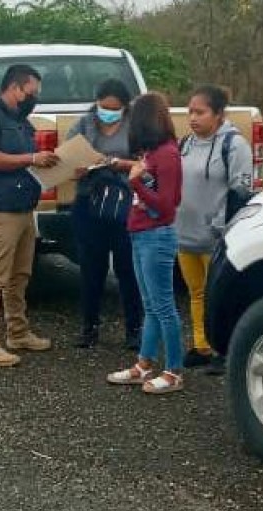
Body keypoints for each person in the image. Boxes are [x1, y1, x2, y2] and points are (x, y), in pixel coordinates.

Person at [0, 64, 60, 367]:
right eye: (31, 92)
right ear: (15, 88)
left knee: (20, 276)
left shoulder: (22, 120)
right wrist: (32, 158)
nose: (34, 98)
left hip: (24, 209)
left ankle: (18, 332)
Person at [107, 92, 185, 394]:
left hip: (156, 235)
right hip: (141, 233)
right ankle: (144, 363)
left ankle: (174, 370)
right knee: (150, 305)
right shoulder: (151, 153)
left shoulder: (166, 154)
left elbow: (167, 205)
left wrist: (136, 181)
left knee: (164, 306)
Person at [177, 84, 253, 375]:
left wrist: (223, 228)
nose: (193, 118)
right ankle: (202, 345)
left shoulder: (234, 146)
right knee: (196, 292)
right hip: (185, 233)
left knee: (220, 296)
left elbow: (241, 191)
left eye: (200, 112)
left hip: (216, 238)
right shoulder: (185, 143)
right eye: (190, 112)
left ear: (219, 114)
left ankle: (227, 349)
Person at [67, 78, 143, 349]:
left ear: (124, 106)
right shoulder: (84, 124)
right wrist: (76, 167)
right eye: (103, 106)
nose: (107, 111)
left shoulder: (135, 127)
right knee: (90, 269)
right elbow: (68, 156)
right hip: (90, 202)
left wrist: (118, 164)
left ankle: (134, 329)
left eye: (113, 107)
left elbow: (147, 163)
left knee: (127, 269)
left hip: (124, 203)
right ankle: (89, 327)